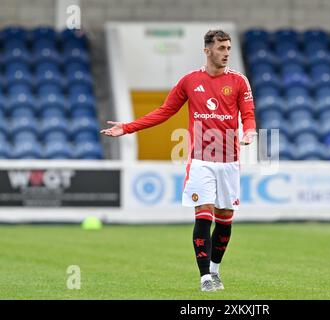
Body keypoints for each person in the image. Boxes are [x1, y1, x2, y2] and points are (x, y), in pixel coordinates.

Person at [100, 30, 257, 292]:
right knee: (203, 215)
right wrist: (127, 127)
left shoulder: (240, 81)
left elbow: (248, 114)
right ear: (207, 50)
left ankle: (216, 270)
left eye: (229, 48)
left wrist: (250, 131)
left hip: (229, 161)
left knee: (225, 218)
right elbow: (164, 112)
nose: (226, 53)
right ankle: (205, 277)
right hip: (200, 160)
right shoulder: (189, 81)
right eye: (221, 48)